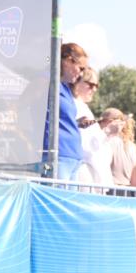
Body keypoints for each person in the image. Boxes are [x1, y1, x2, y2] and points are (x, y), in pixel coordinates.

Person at [44, 43, 87, 180]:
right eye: (80, 68)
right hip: (57, 155)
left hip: (72, 157)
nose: (81, 74)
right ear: (68, 61)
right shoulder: (45, 81)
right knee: (56, 200)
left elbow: (59, 117)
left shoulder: (66, 88)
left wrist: (76, 123)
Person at [103, 109, 136, 187]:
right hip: (126, 192)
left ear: (108, 122)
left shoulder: (106, 141)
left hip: (107, 189)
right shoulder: (132, 146)